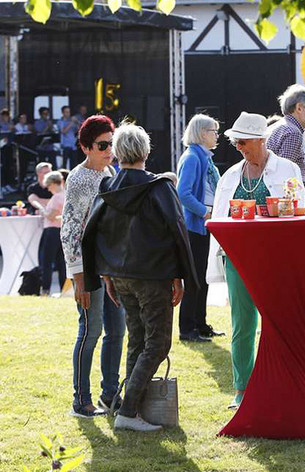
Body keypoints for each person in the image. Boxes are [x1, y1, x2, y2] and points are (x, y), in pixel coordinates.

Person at [82, 122, 196, 432]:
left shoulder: (108, 188)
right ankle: (128, 410)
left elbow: (96, 232)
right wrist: (179, 275)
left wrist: (105, 273)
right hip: (153, 275)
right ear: (146, 151)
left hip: (120, 276)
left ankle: (128, 407)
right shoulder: (159, 187)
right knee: (157, 344)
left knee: (137, 341)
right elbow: (176, 231)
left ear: (116, 153)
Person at [207, 112, 305, 410]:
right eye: (236, 143)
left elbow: (298, 208)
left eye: (244, 142)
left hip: (275, 257)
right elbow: (220, 217)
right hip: (238, 258)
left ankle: (282, 382)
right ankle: (242, 388)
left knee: (278, 321)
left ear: (261, 139)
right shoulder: (231, 175)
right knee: (242, 323)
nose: (239, 148)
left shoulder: (286, 168)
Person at [60, 115, 125, 418]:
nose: (109, 149)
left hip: (110, 267)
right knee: (91, 330)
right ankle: (80, 400)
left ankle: (110, 395)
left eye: (111, 143)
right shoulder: (78, 179)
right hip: (88, 269)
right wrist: (78, 277)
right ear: (86, 147)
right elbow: (70, 230)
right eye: (102, 145)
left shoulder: (110, 171)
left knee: (117, 330)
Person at [176, 114, 224, 342]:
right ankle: (187, 329)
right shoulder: (193, 157)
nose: (217, 135)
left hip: (204, 225)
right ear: (202, 133)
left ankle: (200, 324)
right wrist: (205, 212)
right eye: (214, 131)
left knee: (202, 278)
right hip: (196, 226)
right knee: (194, 279)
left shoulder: (203, 156)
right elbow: (183, 193)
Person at [267, 84, 305, 187]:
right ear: (299, 108)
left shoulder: (277, 126)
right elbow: (283, 175)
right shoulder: (293, 133)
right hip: (287, 197)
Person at [38, 170, 66, 296]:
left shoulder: (56, 197)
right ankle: (63, 289)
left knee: (47, 261)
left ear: (54, 184)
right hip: (62, 230)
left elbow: (51, 216)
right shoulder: (66, 195)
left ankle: (45, 290)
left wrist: (42, 211)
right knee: (62, 262)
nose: (48, 189)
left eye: (49, 186)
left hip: (52, 231)